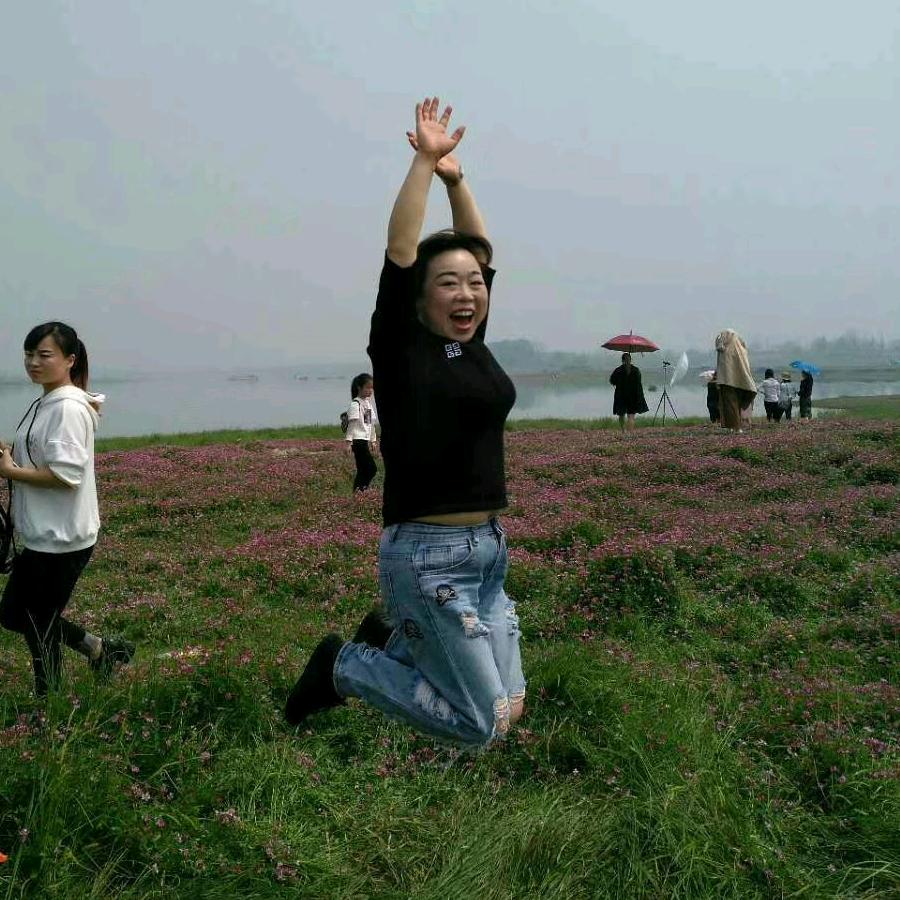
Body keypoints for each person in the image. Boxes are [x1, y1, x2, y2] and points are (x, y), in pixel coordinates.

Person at [285, 97, 524, 747]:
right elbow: (399, 249)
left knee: (511, 708)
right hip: (426, 553)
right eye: (447, 283)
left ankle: (396, 639)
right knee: (479, 725)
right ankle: (344, 666)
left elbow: (476, 250)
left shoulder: (466, 343)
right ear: (419, 295)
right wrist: (423, 164)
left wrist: (459, 180)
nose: (466, 292)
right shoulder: (398, 345)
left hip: (486, 548)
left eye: (473, 283)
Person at [0, 322, 134, 696]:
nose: (33, 362)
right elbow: (47, 457)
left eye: (44, 355)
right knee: (14, 614)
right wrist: (11, 455)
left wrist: (11, 471)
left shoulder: (68, 408)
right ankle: (101, 650)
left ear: (69, 359)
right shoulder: (48, 401)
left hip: (63, 538)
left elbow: (65, 475)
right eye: (28, 354)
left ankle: (51, 702)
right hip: (45, 533)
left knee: (38, 621)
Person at [714, 329, 756, 433]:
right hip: (740, 381)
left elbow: (723, 365)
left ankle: (735, 427)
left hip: (728, 381)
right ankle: (734, 427)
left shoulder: (726, 350)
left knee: (730, 405)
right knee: (734, 405)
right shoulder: (740, 348)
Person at [345, 373, 378, 492]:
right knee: (371, 469)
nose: (370, 391)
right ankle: (361, 491)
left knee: (364, 469)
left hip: (364, 440)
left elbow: (369, 424)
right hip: (358, 441)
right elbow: (352, 425)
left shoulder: (367, 403)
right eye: (367, 388)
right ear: (359, 387)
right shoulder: (355, 404)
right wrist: (348, 443)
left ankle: (360, 492)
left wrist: (373, 440)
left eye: (372, 388)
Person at [609, 352, 649, 431]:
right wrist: (640, 396)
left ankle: (623, 430)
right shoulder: (636, 370)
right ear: (630, 359)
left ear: (622, 360)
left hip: (620, 396)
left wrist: (617, 384)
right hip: (633, 396)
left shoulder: (618, 370)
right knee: (631, 416)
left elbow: (612, 381)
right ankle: (630, 432)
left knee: (621, 414)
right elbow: (639, 384)